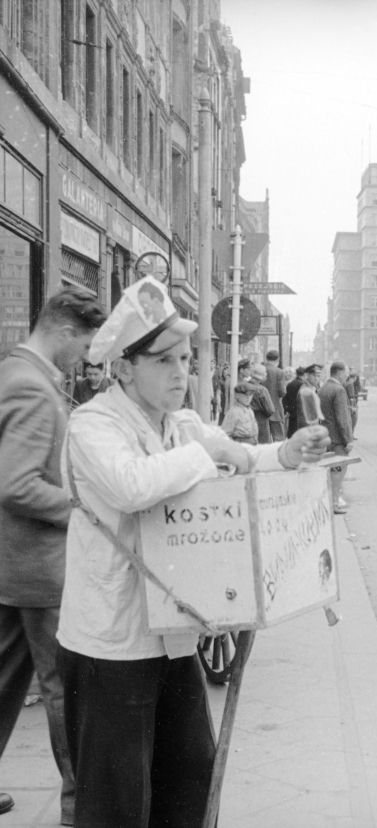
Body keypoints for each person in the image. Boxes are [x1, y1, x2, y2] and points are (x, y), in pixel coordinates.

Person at [56, 276, 329, 827]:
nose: (182, 373)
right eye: (165, 361)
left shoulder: (179, 425)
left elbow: (244, 457)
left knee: (189, 783)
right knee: (116, 802)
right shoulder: (93, 426)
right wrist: (211, 453)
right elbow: (132, 485)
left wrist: (288, 453)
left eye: (186, 359)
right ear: (125, 368)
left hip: (174, 634)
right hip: (110, 646)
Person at [0, 286, 107, 825]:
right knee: (66, 692)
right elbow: (16, 484)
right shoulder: (33, 389)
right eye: (85, 345)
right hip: (37, 572)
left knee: (3, 685)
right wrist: (83, 508)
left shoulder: (13, 373)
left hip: (10, 569)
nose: (85, 358)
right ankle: (79, 808)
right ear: (65, 331)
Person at [318, 362, 355, 515]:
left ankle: (326, 502)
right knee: (338, 473)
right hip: (337, 439)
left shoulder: (323, 388)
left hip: (326, 436)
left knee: (327, 472)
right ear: (339, 373)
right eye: (346, 373)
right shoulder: (339, 390)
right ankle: (334, 504)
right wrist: (348, 439)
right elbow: (343, 418)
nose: (347, 376)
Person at [262, 350, 287, 441]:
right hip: (275, 409)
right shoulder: (279, 372)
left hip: (262, 410)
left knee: (263, 439)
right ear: (278, 359)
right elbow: (282, 392)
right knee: (278, 438)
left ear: (266, 358)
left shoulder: (260, 370)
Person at [248, 363, 275, 444]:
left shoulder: (244, 385)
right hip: (261, 422)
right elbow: (270, 409)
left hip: (247, 420)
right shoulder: (262, 390)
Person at [283, 366, 306, 438]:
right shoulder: (303, 385)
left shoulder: (290, 384)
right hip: (299, 411)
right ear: (304, 374)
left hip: (291, 410)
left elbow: (285, 398)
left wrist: (287, 409)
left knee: (291, 430)